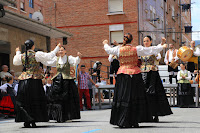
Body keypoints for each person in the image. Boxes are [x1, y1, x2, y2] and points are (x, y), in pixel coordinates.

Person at [103, 33, 167, 128]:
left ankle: (122, 120)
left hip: (123, 74)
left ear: (124, 40)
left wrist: (105, 43)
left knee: (123, 97)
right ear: (132, 40)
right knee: (135, 97)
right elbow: (150, 50)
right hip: (135, 74)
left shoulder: (118, 49)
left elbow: (108, 50)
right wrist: (162, 46)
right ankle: (135, 120)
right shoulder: (137, 49)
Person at [13, 39, 61, 128]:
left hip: (24, 80)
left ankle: (27, 120)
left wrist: (17, 52)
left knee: (24, 101)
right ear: (33, 46)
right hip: (34, 80)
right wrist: (57, 47)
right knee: (35, 100)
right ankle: (33, 119)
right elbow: (49, 56)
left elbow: (15, 62)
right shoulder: (37, 54)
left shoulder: (21, 56)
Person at [140, 36, 173, 122]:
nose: (145, 42)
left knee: (153, 93)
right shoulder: (141, 50)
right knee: (143, 93)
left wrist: (162, 44)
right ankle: (145, 115)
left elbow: (158, 51)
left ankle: (155, 114)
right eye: (144, 41)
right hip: (143, 73)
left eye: (147, 41)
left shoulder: (153, 49)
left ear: (151, 41)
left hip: (152, 74)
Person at [47, 46, 81, 123]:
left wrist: (78, 57)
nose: (60, 52)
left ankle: (68, 116)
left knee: (68, 97)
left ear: (65, 51)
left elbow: (75, 62)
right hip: (58, 81)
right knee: (56, 97)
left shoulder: (69, 58)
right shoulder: (56, 59)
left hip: (67, 80)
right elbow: (48, 62)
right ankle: (57, 116)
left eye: (62, 50)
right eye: (59, 50)